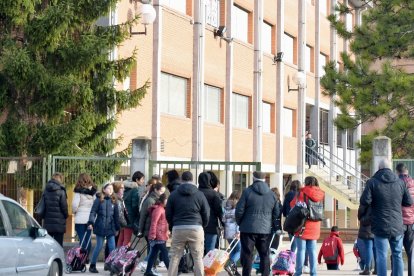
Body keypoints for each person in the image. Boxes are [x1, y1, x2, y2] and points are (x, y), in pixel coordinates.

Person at [360, 159, 413, 276]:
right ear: (391, 168)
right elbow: (409, 202)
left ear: (379, 168)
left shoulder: (372, 182)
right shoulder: (400, 182)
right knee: (397, 254)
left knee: (381, 255)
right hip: (397, 224)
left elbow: (365, 200)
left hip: (379, 224)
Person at [166, 171, 210, 276]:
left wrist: (172, 226)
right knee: (198, 257)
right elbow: (206, 212)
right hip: (196, 228)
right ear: (192, 179)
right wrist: (203, 225)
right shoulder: (200, 194)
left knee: (175, 257)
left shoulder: (173, 195)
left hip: (178, 227)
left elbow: (168, 213)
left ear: (181, 180)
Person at [235, 171, 280, 276]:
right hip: (265, 229)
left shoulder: (247, 192)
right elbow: (276, 213)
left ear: (253, 178)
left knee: (247, 254)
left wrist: (241, 223)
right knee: (264, 254)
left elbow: (239, 210)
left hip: (247, 229)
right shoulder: (272, 194)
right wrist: (270, 223)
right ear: (265, 179)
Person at [290, 176, 324, 276]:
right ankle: (313, 273)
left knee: (301, 250)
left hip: (302, 225)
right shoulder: (320, 194)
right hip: (315, 225)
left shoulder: (302, 193)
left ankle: (298, 272)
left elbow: (293, 205)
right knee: (312, 251)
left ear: (306, 183)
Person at [87, 183, 120, 273]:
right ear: (104, 190)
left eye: (111, 189)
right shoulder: (99, 200)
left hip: (110, 227)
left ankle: (112, 266)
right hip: (100, 226)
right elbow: (93, 212)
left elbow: (116, 216)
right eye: (108, 188)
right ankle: (92, 265)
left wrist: (117, 228)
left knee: (112, 247)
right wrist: (91, 222)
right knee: (99, 246)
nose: (110, 190)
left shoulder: (114, 200)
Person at [137, 182, 166, 271]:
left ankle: (150, 267)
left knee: (154, 250)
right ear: (156, 190)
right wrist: (140, 230)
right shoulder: (150, 200)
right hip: (149, 229)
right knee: (153, 249)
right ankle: (148, 266)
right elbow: (143, 216)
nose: (162, 193)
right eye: (161, 191)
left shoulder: (159, 200)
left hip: (155, 230)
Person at [144, 193, 170, 276]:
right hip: (159, 236)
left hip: (160, 235)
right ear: (163, 200)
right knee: (164, 253)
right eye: (166, 200)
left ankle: (148, 271)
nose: (168, 202)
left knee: (153, 254)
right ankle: (171, 272)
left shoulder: (161, 209)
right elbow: (154, 222)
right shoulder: (159, 209)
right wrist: (152, 235)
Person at [198, 171, 224, 254]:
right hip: (211, 226)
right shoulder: (214, 194)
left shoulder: (196, 193)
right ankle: (207, 267)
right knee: (210, 252)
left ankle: (198, 266)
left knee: (197, 250)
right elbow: (219, 211)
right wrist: (223, 224)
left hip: (197, 225)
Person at [72, 173, 97, 259]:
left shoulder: (78, 191)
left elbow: (75, 205)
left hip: (80, 218)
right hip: (90, 219)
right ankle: (86, 258)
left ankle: (82, 258)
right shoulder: (93, 192)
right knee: (88, 239)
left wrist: (74, 211)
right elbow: (96, 204)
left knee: (82, 240)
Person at [396, 163, 414, 276]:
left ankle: (396, 273)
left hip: (399, 222)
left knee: (396, 251)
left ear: (397, 172)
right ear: (407, 171)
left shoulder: (396, 184)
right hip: (411, 222)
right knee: (411, 252)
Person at [43, 172, 68, 246]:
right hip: (59, 222)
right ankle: (58, 257)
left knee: (49, 244)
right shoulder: (61, 190)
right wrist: (66, 215)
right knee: (58, 245)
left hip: (48, 221)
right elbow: (64, 206)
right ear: (60, 179)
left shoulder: (46, 190)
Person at [223, 190, 242, 276]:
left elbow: (223, 219)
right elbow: (238, 220)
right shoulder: (237, 207)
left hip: (227, 232)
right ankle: (230, 264)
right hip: (235, 232)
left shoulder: (226, 206)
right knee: (240, 250)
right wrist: (238, 231)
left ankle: (232, 269)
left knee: (234, 250)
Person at [357, 203, 376, 275]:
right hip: (376, 227)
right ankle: (376, 268)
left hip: (367, 228)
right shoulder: (377, 197)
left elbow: (360, 213)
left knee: (368, 248)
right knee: (375, 248)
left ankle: (367, 268)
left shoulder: (365, 200)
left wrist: (362, 219)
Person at [282, 180, 300, 252]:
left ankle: (292, 254)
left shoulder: (287, 195)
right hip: (298, 220)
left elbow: (284, 209)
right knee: (298, 240)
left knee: (292, 240)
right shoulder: (300, 195)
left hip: (289, 220)